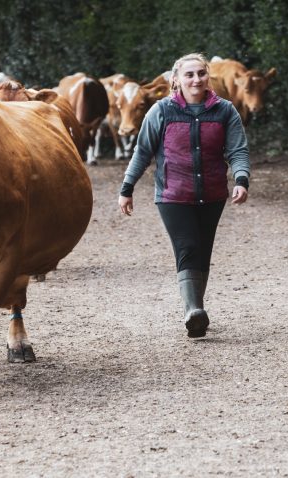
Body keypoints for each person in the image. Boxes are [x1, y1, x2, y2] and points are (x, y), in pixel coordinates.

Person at [117, 52, 250, 338]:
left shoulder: (225, 111)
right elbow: (143, 152)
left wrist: (241, 179)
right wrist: (127, 187)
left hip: (213, 193)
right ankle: (193, 310)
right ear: (176, 80)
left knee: (203, 249)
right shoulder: (161, 111)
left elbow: (237, 150)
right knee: (187, 246)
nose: (196, 79)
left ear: (208, 76)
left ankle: (196, 312)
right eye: (189, 74)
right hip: (173, 195)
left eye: (201, 73)